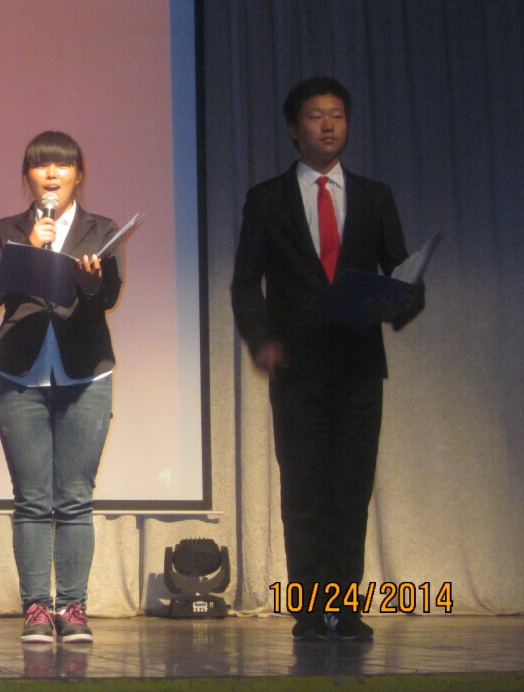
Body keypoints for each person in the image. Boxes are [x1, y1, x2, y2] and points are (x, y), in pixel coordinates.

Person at [231, 76, 424, 641]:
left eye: (337, 114)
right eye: (316, 116)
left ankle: (347, 608)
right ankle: (311, 610)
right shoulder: (266, 199)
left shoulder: (374, 196)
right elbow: (245, 284)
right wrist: (261, 340)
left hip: (359, 364)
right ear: (295, 129)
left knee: (351, 489)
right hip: (297, 366)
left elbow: (401, 273)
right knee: (304, 490)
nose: (329, 124)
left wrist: (401, 302)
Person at [0, 131, 123, 644]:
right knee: (32, 500)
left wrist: (92, 283)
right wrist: (25, 253)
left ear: (79, 174)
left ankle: (73, 608)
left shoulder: (101, 229)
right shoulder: (8, 230)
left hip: (85, 375)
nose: (52, 174)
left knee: (75, 499)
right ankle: (36, 607)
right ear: (28, 177)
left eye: (62, 165)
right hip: (20, 375)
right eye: (41, 166)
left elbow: (109, 295)